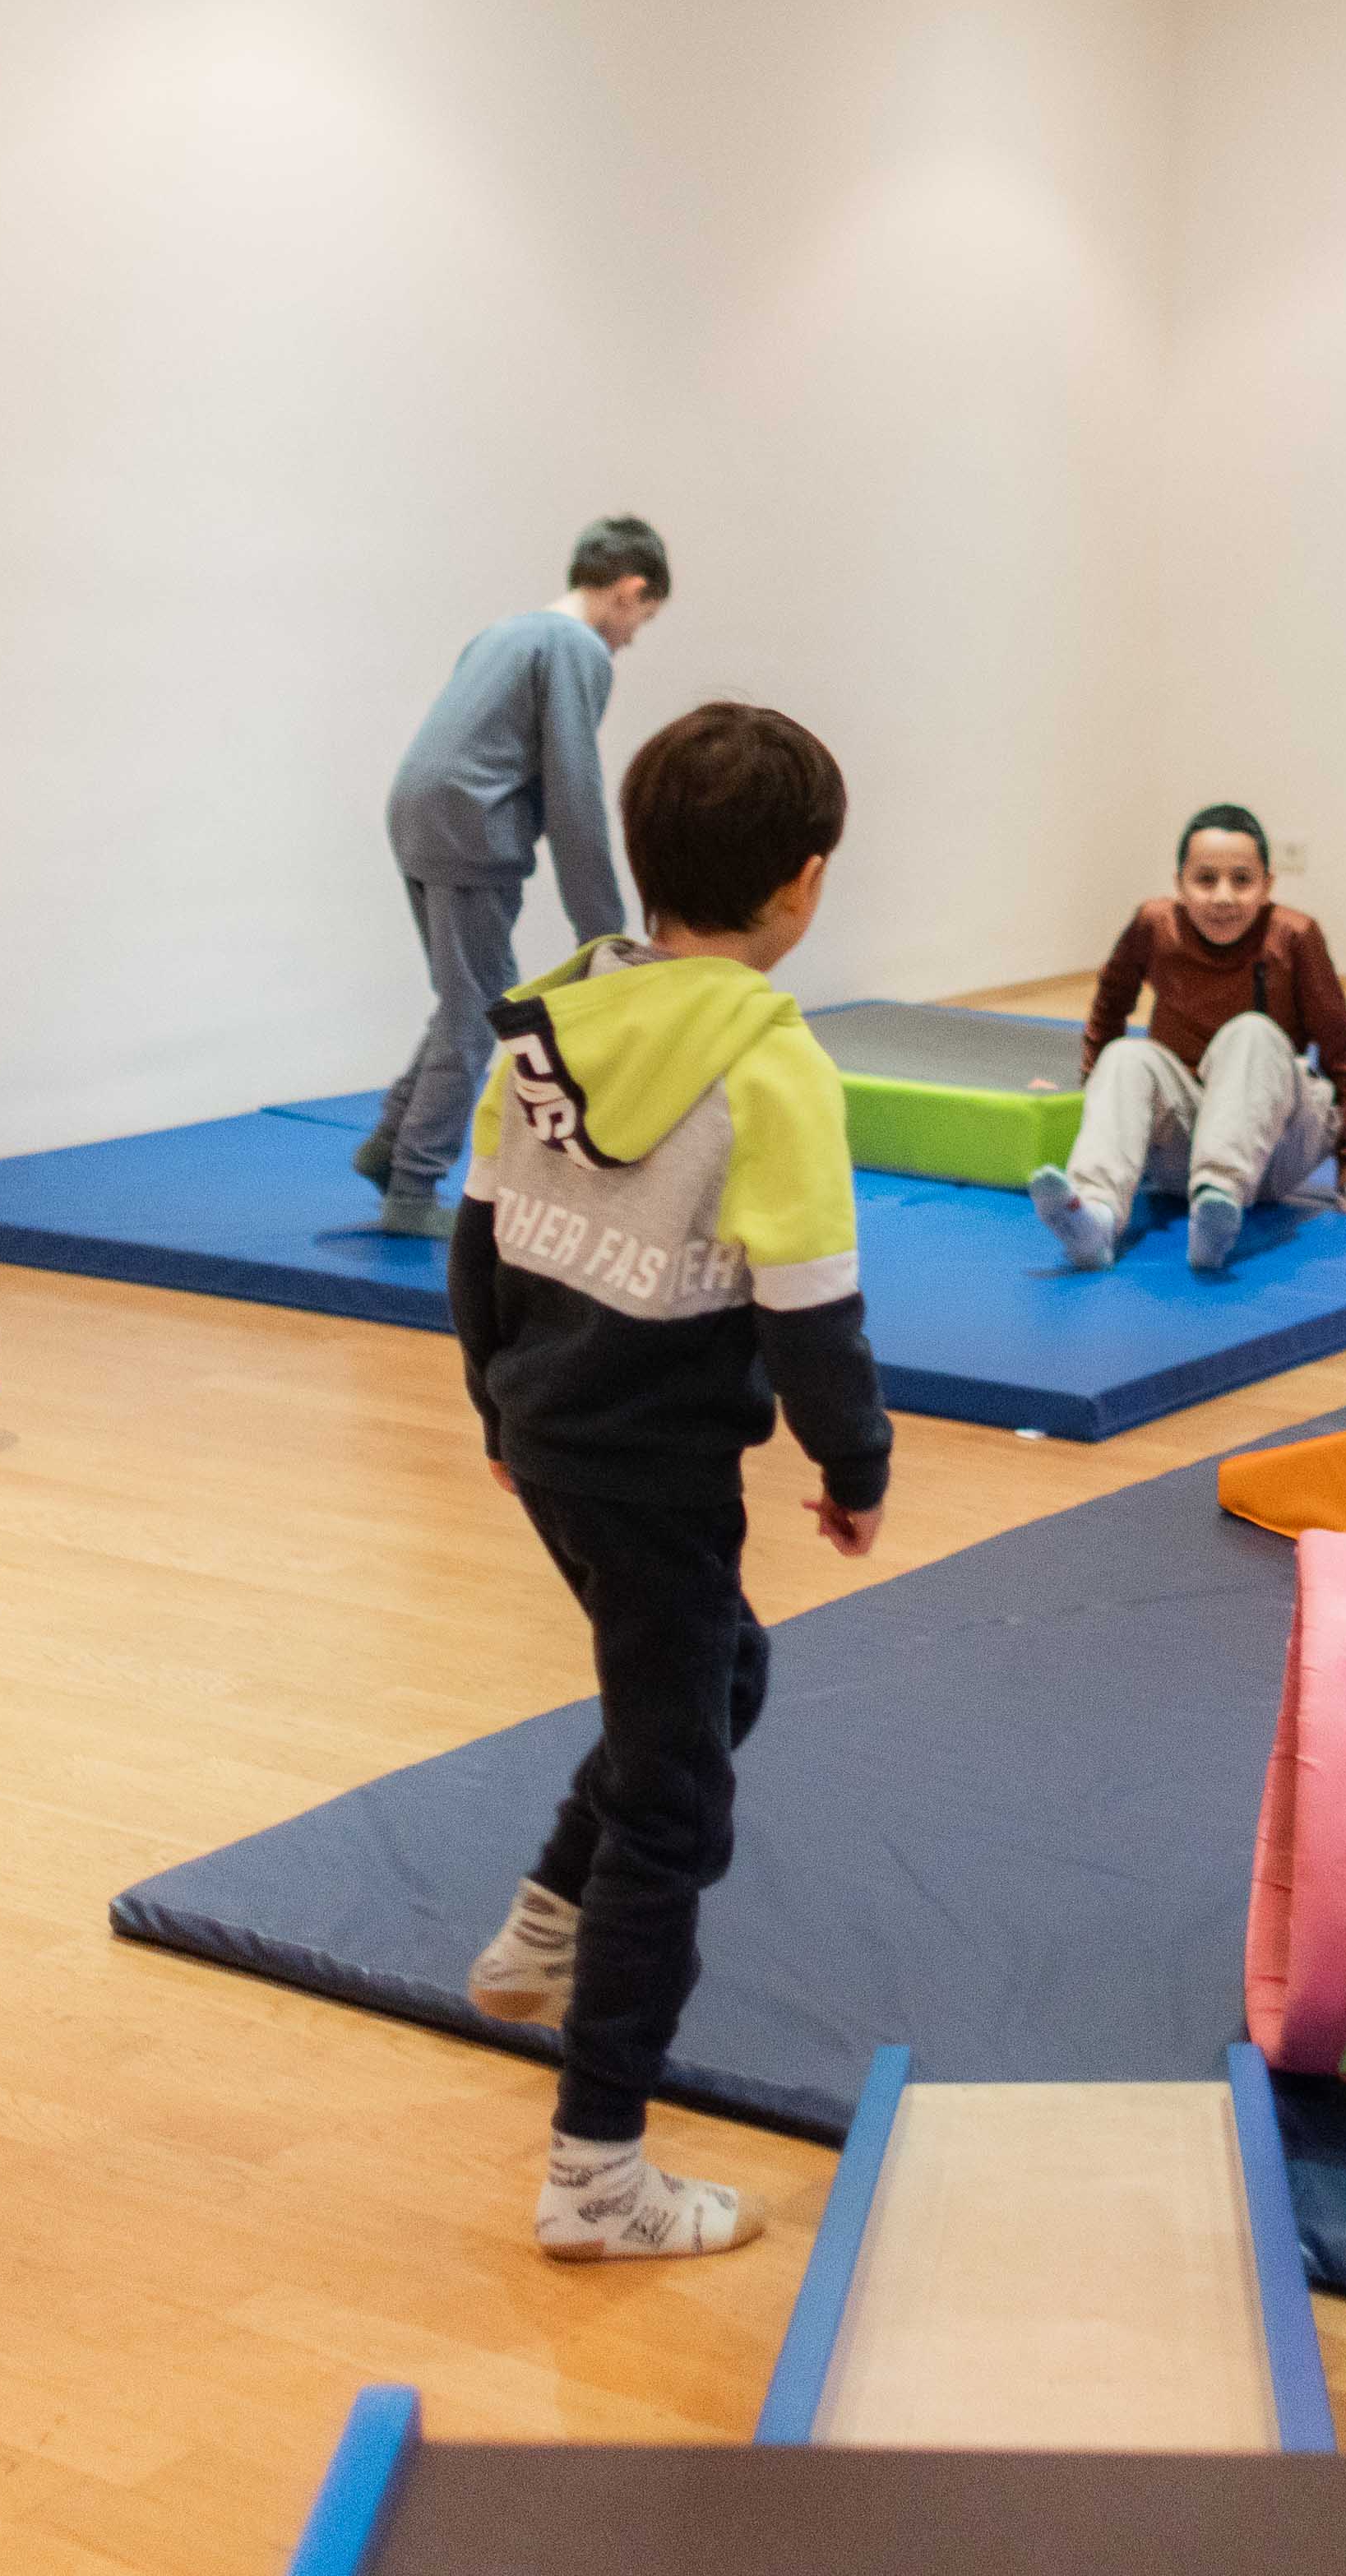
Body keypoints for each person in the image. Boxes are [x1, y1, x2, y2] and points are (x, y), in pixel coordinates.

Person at [441, 698, 884, 2263]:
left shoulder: (553, 1017)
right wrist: (855, 1459)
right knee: (675, 1802)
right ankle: (597, 2172)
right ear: (802, 883)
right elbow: (810, 1305)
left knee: (715, 1676)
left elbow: (478, 1232)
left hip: (554, 1441)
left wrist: (493, 1406)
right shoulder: (772, 1063)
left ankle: (543, 1924)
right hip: (655, 1474)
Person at [366, 518, 665, 1244]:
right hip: (468, 829)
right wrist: (603, 930)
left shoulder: (505, 632)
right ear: (628, 590)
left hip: (418, 818)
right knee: (480, 1008)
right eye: (643, 618)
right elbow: (573, 789)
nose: (632, 638)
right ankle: (412, 1187)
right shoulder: (577, 648)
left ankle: (389, 1144)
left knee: (461, 997)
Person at [1034, 804, 1346, 1280]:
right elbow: (1109, 1008)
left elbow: (1342, 1053)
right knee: (1126, 1055)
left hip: (1273, 1147)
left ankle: (1219, 1202)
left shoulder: (1294, 936)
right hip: (1185, 1146)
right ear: (1180, 884)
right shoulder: (1154, 926)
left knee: (1252, 1032)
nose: (1223, 897)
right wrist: (1092, 1097)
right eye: (1206, 880)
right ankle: (1097, 1217)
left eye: (1242, 880)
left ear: (1267, 886)